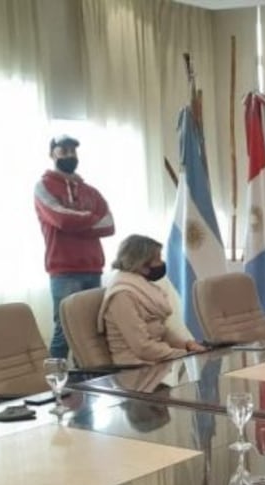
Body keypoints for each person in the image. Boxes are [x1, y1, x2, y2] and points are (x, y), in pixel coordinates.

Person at [35, 135, 115, 359]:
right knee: (64, 332)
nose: (70, 155)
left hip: (93, 269)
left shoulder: (91, 191)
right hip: (64, 271)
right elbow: (61, 219)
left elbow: (109, 224)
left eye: (73, 151)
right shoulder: (43, 186)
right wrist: (90, 219)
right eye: (64, 151)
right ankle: (53, 380)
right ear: (52, 154)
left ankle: (89, 379)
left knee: (90, 333)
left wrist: (76, 223)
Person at [97, 235, 204, 365]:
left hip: (156, 361)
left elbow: (160, 330)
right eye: (157, 259)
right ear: (141, 264)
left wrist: (187, 345)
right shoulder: (122, 296)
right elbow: (142, 347)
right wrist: (182, 354)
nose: (162, 263)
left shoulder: (142, 286)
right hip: (134, 367)